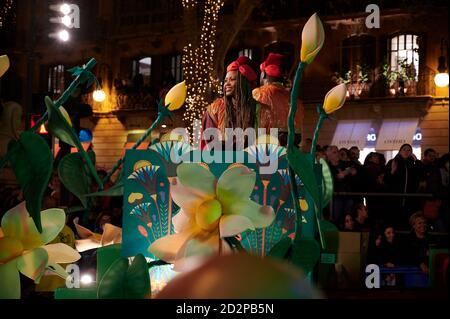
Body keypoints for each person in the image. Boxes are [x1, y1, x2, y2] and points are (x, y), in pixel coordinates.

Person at [201, 56, 258, 149]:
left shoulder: (257, 108)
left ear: (243, 82)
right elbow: (209, 143)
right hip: (222, 160)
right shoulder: (215, 109)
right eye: (226, 80)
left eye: (232, 80)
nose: (227, 84)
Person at [252, 53, 303, 147]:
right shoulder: (295, 99)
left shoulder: (258, 94)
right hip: (292, 148)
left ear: (263, 74)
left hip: (267, 147)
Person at [384, 143, 421, 229]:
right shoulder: (393, 162)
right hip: (395, 200)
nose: (406, 151)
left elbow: (421, 174)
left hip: (409, 200)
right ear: (400, 151)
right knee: (395, 223)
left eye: (409, 150)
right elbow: (386, 180)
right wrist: (392, 171)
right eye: (404, 149)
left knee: (407, 224)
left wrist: (417, 161)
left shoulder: (413, 165)